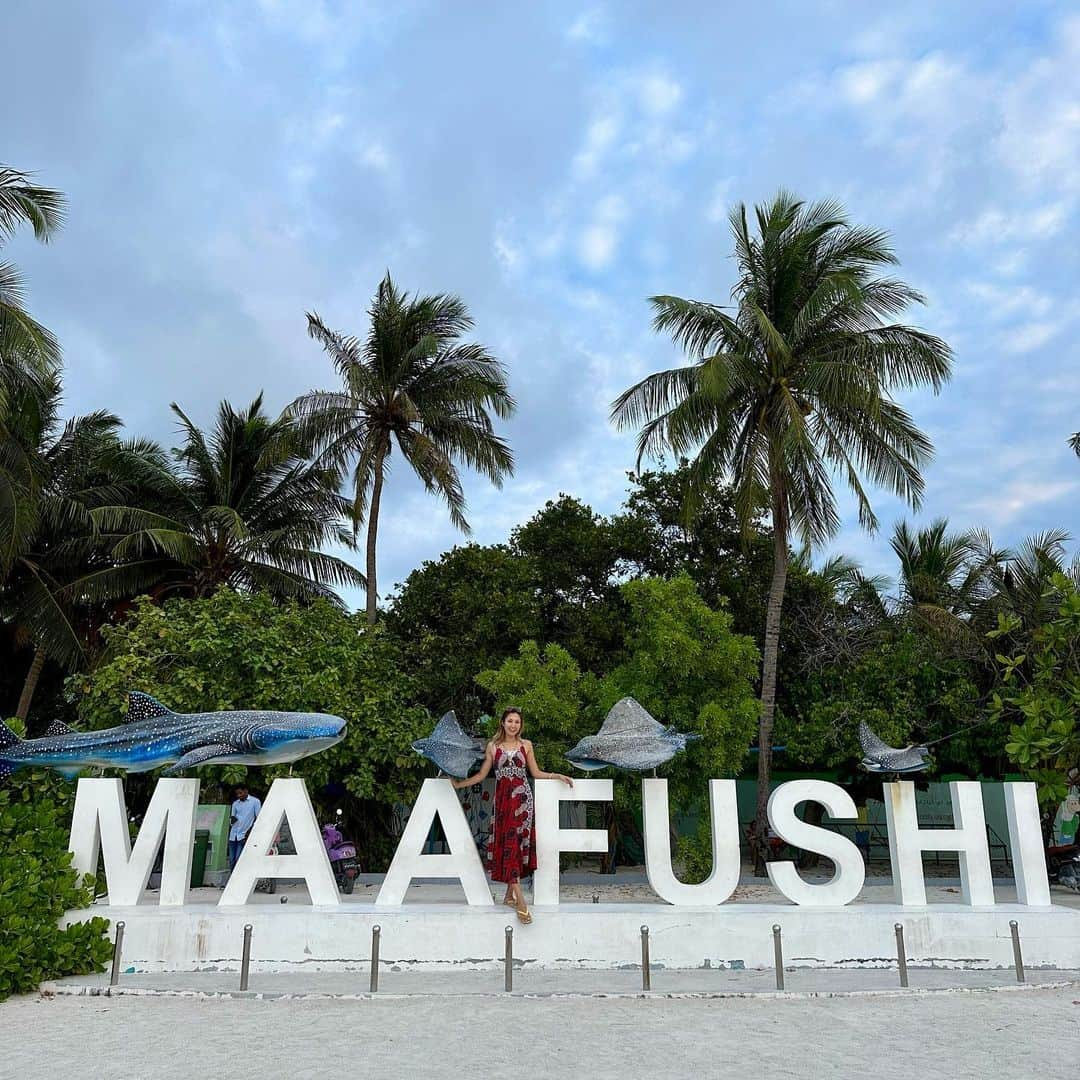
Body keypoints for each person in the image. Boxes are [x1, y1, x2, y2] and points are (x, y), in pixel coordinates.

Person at [453, 706, 572, 924]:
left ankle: (511, 896)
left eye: (517, 722)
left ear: (520, 725)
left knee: (516, 845)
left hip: (523, 801)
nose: (513, 725)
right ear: (503, 723)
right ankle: (520, 902)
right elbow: (481, 775)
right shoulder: (493, 746)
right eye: (510, 721)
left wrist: (557, 775)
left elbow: (535, 773)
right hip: (503, 803)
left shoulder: (526, 745)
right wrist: (460, 784)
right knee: (507, 846)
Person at [228, 784, 261, 872]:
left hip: (244, 835)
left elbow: (258, 818)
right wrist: (232, 822)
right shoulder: (235, 803)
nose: (239, 795)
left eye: (240, 793)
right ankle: (232, 880)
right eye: (237, 794)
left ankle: (237, 880)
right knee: (231, 860)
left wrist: (250, 831)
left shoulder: (255, 802)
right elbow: (232, 818)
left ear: (246, 791)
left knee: (239, 859)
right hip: (233, 835)